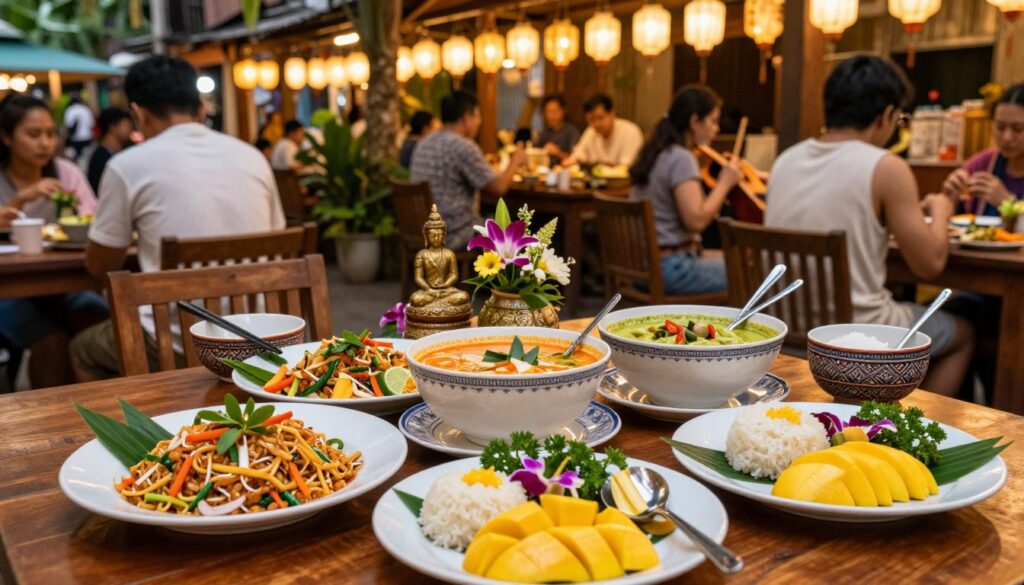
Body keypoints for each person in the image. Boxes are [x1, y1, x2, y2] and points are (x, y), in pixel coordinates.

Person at [765, 55, 973, 397]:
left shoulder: (786, 160)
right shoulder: (885, 166)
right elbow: (930, 264)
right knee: (963, 332)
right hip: (863, 333)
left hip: (788, 327)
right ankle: (909, 428)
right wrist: (942, 209)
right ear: (886, 115)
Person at [71, 55, 285, 381]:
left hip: (176, 341)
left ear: (138, 113)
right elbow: (276, 243)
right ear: (201, 109)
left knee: (81, 349)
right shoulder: (253, 156)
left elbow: (98, 265)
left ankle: (135, 424)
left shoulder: (127, 165)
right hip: (258, 334)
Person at [0, 94, 106, 388]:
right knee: (52, 342)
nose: (45, 143)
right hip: (7, 291)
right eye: (33, 134)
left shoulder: (65, 172)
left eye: (50, 134)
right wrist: (22, 198)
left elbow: (93, 218)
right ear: (7, 137)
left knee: (105, 324)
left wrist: (75, 212)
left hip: (64, 284)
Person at [629, 85, 740, 296]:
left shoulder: (655, 152)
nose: (716, 129)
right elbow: (696, 221)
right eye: (713, 121)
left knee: (739, 259)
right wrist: (725, 183)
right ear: (694, 121)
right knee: (753, 271)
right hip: (672, 269)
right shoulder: (680, 157)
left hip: (642, 267)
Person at [410, 90, 527, 249]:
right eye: (477, 116)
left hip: (424, 230)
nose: (479, 122)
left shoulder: (424, 142)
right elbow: (499, 187)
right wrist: (515, 161)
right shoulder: (462, 146)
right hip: (454, 233)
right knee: (519, 225)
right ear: (466, 118)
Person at [941, 83, 1024, 214]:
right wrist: (950, 197)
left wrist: (1009, 204)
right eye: (1000, 127)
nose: (1007, 137)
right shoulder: (982, 163)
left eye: (1018, 129)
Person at [562, 94, 643, 167]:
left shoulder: (630, 132)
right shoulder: (590, 131)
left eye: (600, 118)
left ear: (612, 113)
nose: (596, 124)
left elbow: (625, 167)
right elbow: (576, 157)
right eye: (591, 120)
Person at [86, 107, 134, 194]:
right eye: (126, 125)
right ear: (112, 127)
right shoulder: (100, 157)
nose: (130, 129)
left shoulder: (123, 151)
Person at [536, 95, 580, 163]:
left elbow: (576, 158)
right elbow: (536, 151)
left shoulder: (572, 132)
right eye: (548, 111)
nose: (551, 115)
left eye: (554, 111)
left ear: (563, 111)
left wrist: (558, 153)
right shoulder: (545, 132)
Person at [63, 94, 96, 162]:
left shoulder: (70, 110)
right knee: (86, 158)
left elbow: (68, 125)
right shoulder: (85, 109)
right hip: (87, 137)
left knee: (76, 159)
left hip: (75, 139)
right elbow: (92, 124)